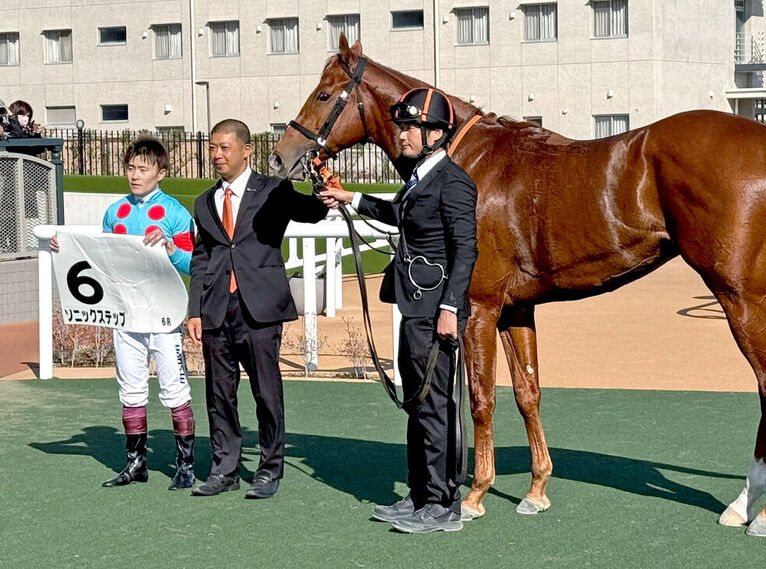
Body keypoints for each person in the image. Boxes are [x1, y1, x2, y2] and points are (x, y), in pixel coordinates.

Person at [320, 88, 478, 533]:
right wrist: (350, 198)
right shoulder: (419, 177)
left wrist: (450, 308)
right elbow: (399, 214)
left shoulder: (454, 182)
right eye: (402, 127)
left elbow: (466, 250)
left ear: (436, 133)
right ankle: (421, 493)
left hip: (436, 311)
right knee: (416, 403)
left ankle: (444, 503)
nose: (401, 135)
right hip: (415, 304)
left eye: (409, 128)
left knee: (436, 405)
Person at [186, 119, 329, 499]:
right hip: (216, 309)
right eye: (213, 147)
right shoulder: (203, 202)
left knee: (267, 393)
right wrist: (195, 310)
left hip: (260, 309)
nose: (217, 155)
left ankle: (269, 469)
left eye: (225, 147)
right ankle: (224, 468)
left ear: (246, 150)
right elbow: (202, 258)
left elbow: (314, 212)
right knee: (219, 394)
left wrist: (323, 183)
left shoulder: (274, 191)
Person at [51, 138, 197, 490]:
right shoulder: (115, 212)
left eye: (143, 168)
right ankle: (135, 464)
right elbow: (101, 260)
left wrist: (170, 246)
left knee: (174, 389)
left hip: (163, 314)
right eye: (131, 167)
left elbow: (195, 263)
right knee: (130, 390)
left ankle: (186, 465)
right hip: (126, 315)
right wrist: (64, 248)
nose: (134, 175)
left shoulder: (176, 212)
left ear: (161, 173)